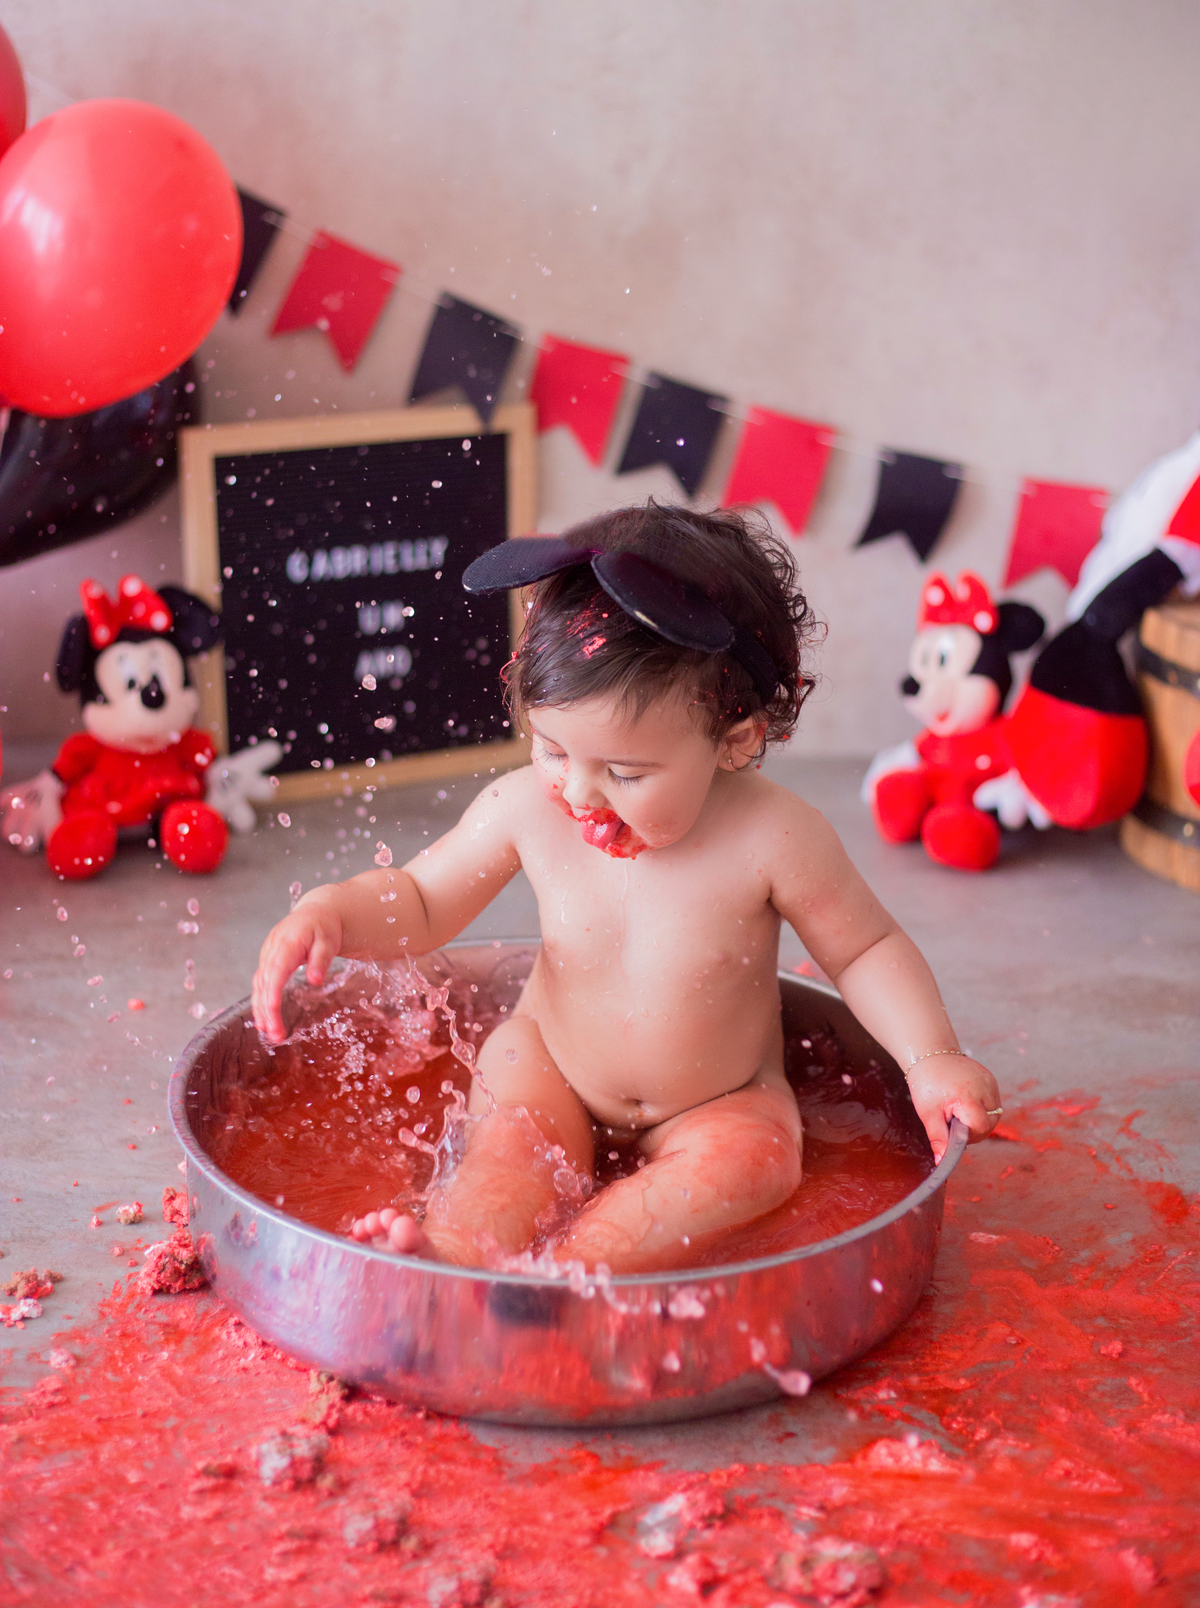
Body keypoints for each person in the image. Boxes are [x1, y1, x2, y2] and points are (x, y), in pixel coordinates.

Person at [252, 503, 1001, 1273]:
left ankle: (587, 1264)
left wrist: (930, 1056)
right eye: (551, 749)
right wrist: (331, 914)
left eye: (626, 772)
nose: (579, 792)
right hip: (552, 1070)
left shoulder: (775, 837)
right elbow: (420, 900)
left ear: (735, 739)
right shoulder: (525, 808)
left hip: (721, 1097)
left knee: (755, 1160)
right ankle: (448, 1253)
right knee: (508, 1158)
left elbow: (865, 949)